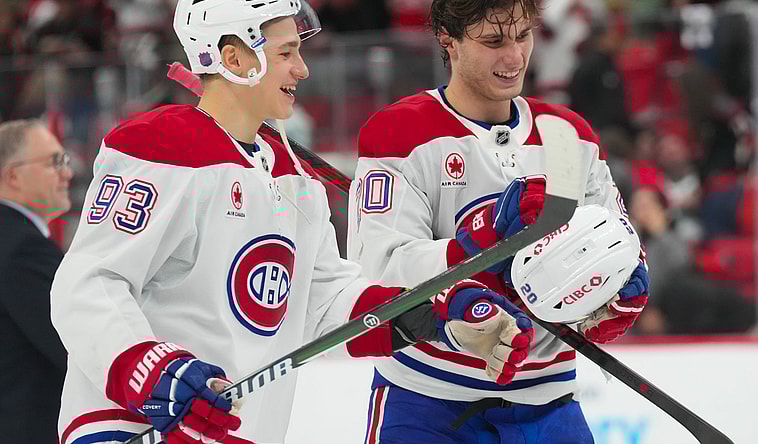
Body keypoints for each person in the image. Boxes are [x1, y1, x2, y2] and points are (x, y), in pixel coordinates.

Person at [50, 1, 535, 443]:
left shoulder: (295, 178)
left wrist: (435, 314)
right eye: (286, 53)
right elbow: (88, 285)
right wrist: (156, 374)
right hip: (136, 428)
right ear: (233, 58)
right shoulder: (164, 148)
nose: (302, 69)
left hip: (237, 431)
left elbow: (324, 302)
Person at [346, 0, 650, 442]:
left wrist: (611, 299)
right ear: (448, 40)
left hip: (548, 403)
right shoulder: (401, 132)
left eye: (523, 36)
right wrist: (475, 244)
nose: (514, 57)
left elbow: (619, 248)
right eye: (493, 41)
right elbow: (377, 267)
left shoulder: (567, 137)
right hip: (428, 401)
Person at [0, 119, 72, 443]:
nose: (67, 173)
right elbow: (74, 344)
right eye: (54, 162)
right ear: (12, 175)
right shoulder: (20, 248)